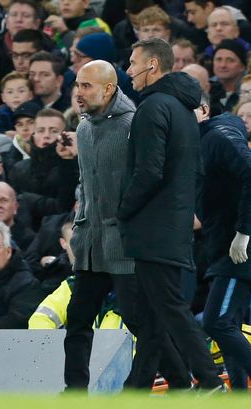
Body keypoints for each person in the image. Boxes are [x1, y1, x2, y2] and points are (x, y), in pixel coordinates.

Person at [65, 59, 187, 391]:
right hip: (90, 245)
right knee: (76, 319)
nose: (79, 92)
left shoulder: (135, 125)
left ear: (109, 88)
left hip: (126, 245)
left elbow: (154, 179)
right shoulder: (84, 129)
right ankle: (73, 391)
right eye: (77, 85)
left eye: (86, 86)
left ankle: (179, 382)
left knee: (139, 322)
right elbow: (85, 185)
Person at [118, 38, 223, 392]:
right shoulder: (181, 109)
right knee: (149, 318)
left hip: (153, 228)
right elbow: (196, 172)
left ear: (152, 66)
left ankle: (209, 381)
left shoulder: (153, 108)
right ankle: (154, 389)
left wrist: (124, 208)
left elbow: (148, 171)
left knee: (171, 310)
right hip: (173, 224)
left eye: (133, 63)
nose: (128, 71)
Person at [196, 99, 251, 395]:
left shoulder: (220, 136)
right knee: (229, 325)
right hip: (223, 244)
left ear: (204, 110)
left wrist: (242, 232)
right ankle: (242, 395)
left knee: (217, 322)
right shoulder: (204, 138)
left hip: (238, 249)